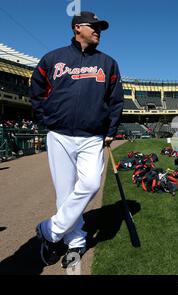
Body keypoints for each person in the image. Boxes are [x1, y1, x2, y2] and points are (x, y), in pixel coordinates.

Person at [30, 11, 124, 267]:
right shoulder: (53, 59)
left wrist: (110, 130)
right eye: (94, 27)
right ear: (77, 27)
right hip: (59, 135)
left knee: (91, 184)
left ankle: (51, 231)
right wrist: (46, 118)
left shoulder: (108, 63)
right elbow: (36, 90)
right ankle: (77, 241)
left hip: (92, 136)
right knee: (64, 194)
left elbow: (116, 101)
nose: (98, 31)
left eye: (100, 28)